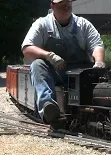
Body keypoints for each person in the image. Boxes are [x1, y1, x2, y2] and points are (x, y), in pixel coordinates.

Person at [21, 0, 105, 130]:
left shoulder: (83, 25)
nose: (66, 7)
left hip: (82, 73)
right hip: (56, 72)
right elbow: (27, 48)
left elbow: (96, 45)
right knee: (37, 65)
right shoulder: (42, 24)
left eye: (68, 4)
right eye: (61, 5)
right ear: (52, 6)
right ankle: (48, 107)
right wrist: (49, 56)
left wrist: (99, 62)